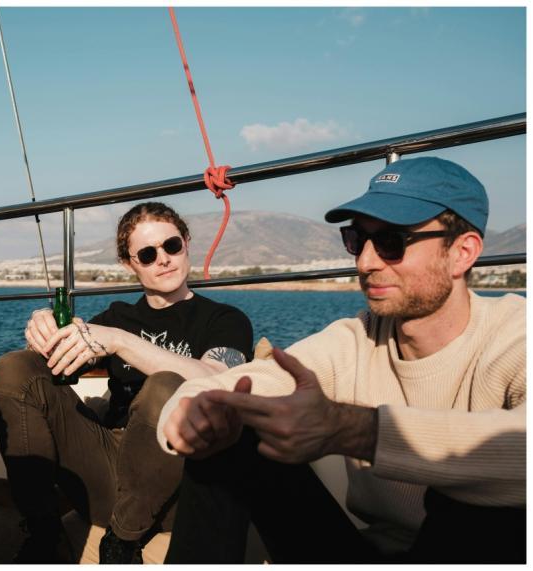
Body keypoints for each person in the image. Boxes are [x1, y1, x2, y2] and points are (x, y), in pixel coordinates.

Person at [157, 157, 526, 563]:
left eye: (391, 241)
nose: (366, 262)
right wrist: (190, 410)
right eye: (357, 239)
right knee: (229, 432)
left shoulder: (514, 333)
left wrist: (350, 429)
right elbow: (252, 379)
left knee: (474, 498)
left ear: (463, 253)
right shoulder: (356, 338)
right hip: (365, 550)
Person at [0, 201, 254, 563]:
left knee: (167, 386)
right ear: (130, 264)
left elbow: (216, 378)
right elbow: (49, 365)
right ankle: (42, 529)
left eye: (171, 246)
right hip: (107, 465)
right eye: (147, 254)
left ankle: (122, 539)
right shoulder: (119, 316)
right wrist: (43, 326)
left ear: (187, 243)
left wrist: (120, 341)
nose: (163, 259)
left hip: (175, 482)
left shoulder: (224, 319)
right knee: (15, 366)